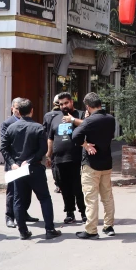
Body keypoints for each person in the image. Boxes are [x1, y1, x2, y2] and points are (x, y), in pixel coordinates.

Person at [2, 99, 62, 240]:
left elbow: (4, 148)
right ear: (32, 111)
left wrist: (12, 163)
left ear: (19, 111)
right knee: (44, 198)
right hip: (34, 167)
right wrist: (30, 160)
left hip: (18, 169)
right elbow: (43, 149)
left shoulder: (11, 128)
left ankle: (23, 231)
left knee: (18, 200)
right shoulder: (38, 128)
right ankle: (49, 229)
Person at [72, 92, 117, 239]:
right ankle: (109, 226)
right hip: (106, 162)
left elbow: (75, 136)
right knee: (107, 197)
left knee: (91, 198)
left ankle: (91, 230)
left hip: (91, 164)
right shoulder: (110, 118)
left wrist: (85, 145)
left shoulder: (89, 120)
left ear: (87, 106)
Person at [45, 92, 87, 224]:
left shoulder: (80, 114)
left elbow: (87, 126)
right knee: (65, 188)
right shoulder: (55, 118)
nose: (64, 106)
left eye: (66, 103)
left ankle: (84, 213)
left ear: (71, 102)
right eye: (61, 104)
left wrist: (72, 120)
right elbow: (50, 138)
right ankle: (69, 213)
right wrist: (48, 155)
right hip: (59, 159)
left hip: (77, 158)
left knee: (78, 187)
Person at [1, 98, 38, 228]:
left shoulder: (29, 122)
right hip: (13, 163)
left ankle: (23, 213)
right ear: (12, 108)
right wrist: (12, 163)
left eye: (19, 108)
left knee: (27, 190)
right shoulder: (7, 124)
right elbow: (5, 145)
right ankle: (9, 216)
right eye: (16, 108)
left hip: (26, 163)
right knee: (12, 191)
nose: (18, 111)